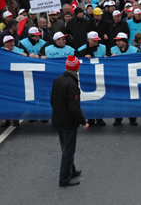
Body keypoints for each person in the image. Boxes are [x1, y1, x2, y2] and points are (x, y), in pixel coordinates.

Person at [51, 55, 89, 187]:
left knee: (65, 146)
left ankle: (71, 170)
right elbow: (74, 108)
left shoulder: (58, 80)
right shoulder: (72, 85)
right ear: (76, 68)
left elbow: (52, 101)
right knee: (69, 150)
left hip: (58, 119)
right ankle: (64, 178)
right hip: (68, 122)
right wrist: (83, 122)